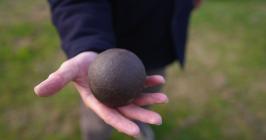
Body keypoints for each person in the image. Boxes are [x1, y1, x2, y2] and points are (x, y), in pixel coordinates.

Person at [34, 0, 202, 139]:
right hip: (107, 47)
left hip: (160, 46)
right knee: (98, 119)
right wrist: (86, 42)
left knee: (148, 93)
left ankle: (138, 126)